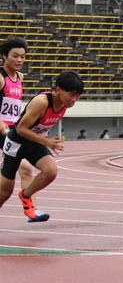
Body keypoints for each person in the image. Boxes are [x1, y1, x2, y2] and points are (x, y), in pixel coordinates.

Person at [0, 71, 84, 220]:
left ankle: (25, 195)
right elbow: (20, 129)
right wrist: (47, 142)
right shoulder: (42, 102)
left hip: (34, 142)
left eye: (78, 95)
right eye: (72, 94)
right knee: (5, 192)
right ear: (58, 90)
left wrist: (44, 140)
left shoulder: (65, 104)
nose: (74, 99)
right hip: (16, 143)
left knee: (50, 171)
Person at [0, 38, 47, 222]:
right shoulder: (0, 78)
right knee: (24, 168)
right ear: (4, 56)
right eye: (15, 56)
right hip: (2, 129)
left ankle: (31, 210)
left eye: (23, 57)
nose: (19, 60)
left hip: (14, 129)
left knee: (25, 169)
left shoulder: (20, 78)